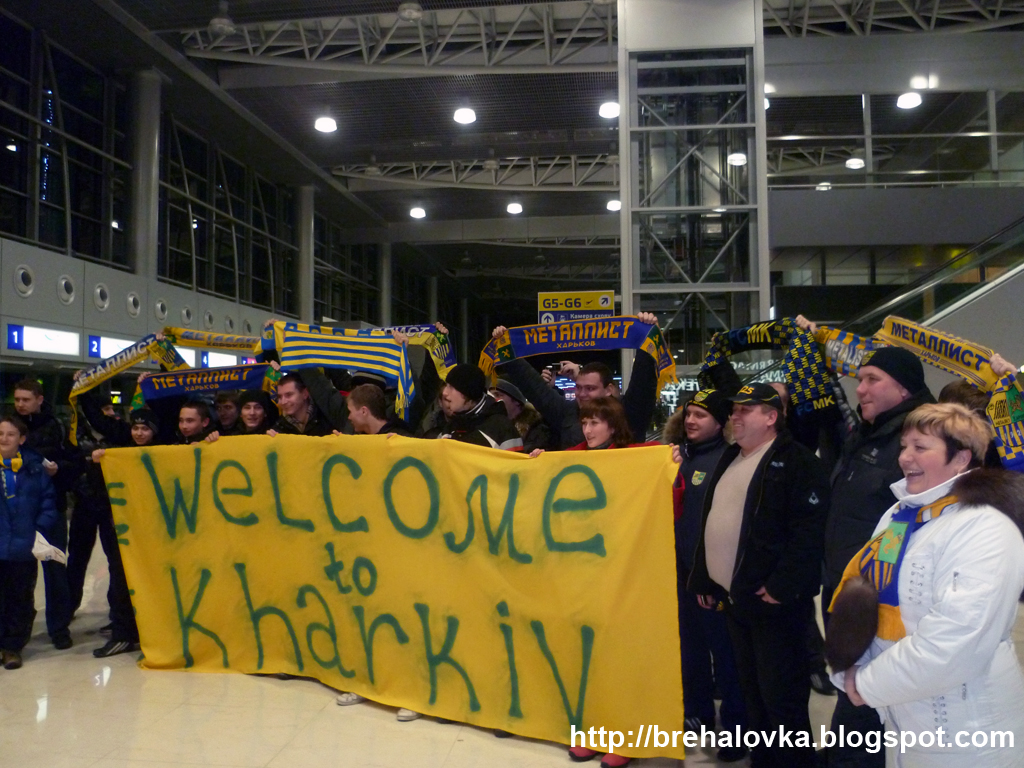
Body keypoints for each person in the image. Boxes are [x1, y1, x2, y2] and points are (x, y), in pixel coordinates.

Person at [833, 403, 1024, 768]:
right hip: (904, 718)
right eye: (904, 446)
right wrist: (850, 660)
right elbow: (874, 597)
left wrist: (866, 684)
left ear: (961, 458)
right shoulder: (901, 516)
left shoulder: (986, 528)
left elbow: (957, 640)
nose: (905, 457)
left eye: (920, 447)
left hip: (971, 733)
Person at [688, 382, 830, 768]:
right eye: (734, 409)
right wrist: (705, 579)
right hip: (736, 601)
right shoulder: (731, 457)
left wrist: (782, 586)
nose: (735, 416)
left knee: (782, 698)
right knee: (753, 693)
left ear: (771, 417)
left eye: (745, 410)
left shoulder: (798, 462)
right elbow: (711, 521)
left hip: (774, 605)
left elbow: (809, 532)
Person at [665, 390, 748, 763]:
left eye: (700, 415)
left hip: (713, 577)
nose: (690, 420)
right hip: (680, 573)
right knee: (689, 648)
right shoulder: (675, 456)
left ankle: (736, 728)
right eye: (688, 414)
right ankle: (697, 712)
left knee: (726, 655)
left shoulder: (728, 460)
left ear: (720, 422)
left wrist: (716, 578)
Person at [490, 312, 661, 449]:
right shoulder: (568, 412)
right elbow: (533, 386)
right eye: (578, 387)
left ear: (609, 390)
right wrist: (507, 350)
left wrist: (649, 334)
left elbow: (643, 382)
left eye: (590, 388)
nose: (582, 394)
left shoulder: (629, 412)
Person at [78, 397, 159, 657]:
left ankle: (142, 630)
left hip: (153, 532)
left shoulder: (164, 454)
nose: (139, 433)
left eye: (145, 429)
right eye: (135, 428)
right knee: (121, 576)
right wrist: (96, 464)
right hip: (123, 529)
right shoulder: (119, 453)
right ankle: (123, 632)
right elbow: (102, 487)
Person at [11, 378, 73, 650]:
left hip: (52, 508)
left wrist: (59, 470)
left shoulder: (57, 426)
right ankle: (17, 630)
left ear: (39, 399)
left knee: (55, 569)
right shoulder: (9, 426)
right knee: (19, 574)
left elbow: (73, 461)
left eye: (26, 399)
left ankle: (59, 628)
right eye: (17, 399)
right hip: (18, 512)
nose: (20, 404)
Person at [0, 413, 60, 669]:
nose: (4, 438)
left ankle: (12, 647)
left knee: (20, 599)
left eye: (10, 434)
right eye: (0, 434)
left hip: (24, 547)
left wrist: (38, 531)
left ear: (21, 439)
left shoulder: (35, 469)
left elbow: (48, 503)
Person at [436, 364, 523, 450]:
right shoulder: (450, 428)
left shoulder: (501, 428)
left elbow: (514, 459)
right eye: (446, 386)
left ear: (468, 392)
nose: (444, 393)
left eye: (451, 387)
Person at [490, 379, 551, 452]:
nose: (492, 400)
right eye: (490, 396)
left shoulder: (537, 429)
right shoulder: (490, 427)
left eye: (497, 395)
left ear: (516, 400)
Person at [268, 374, 333, 437]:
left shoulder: (327, 418)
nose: (283, 402)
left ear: (305, 394)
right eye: (279, 397)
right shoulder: (279, 428)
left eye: (289, 395)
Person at [346, 384, 412, 436]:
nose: (349, 417)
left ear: (364, 411)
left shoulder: (402, 440)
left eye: (350, 412)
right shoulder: (356, 438)